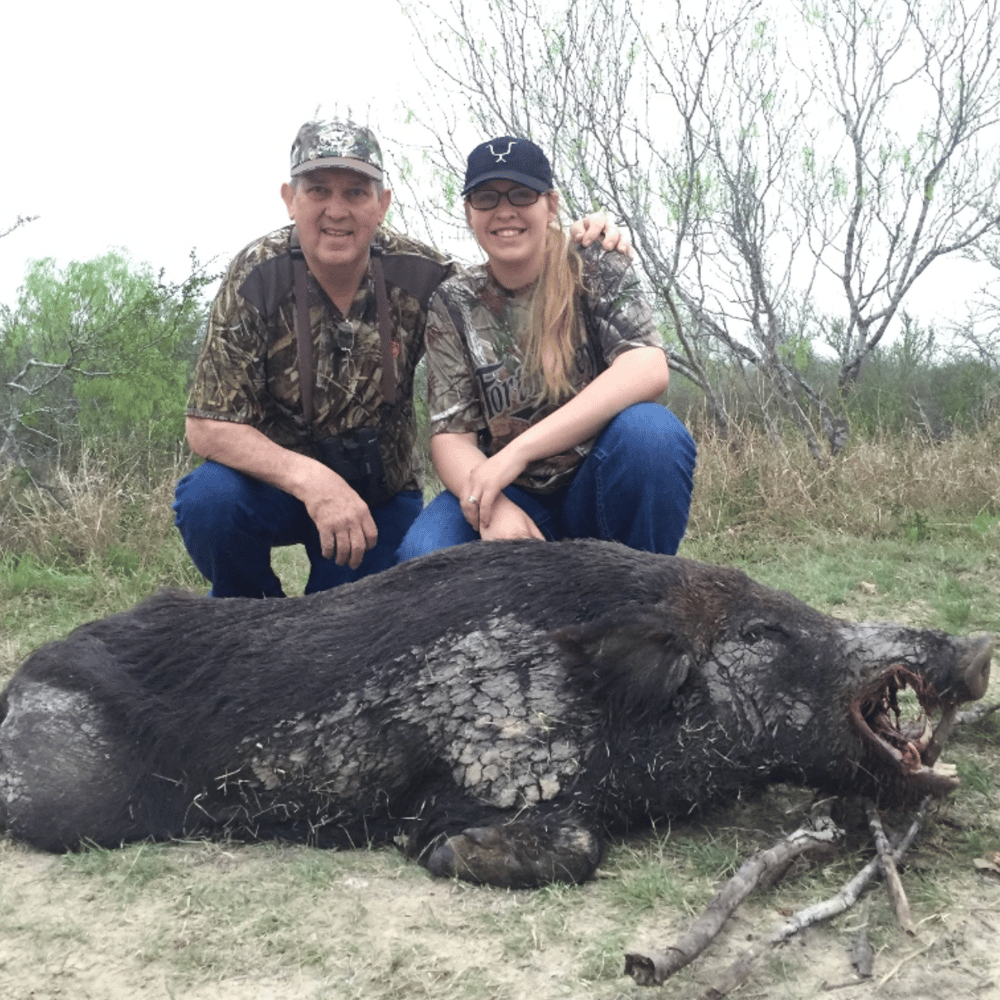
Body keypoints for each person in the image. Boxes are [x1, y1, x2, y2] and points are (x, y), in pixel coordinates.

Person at [174, 119, 627, 597]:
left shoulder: (424, 274)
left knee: (353, 636)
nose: (336, 210)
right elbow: (208, 426)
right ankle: (250, 612)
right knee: (209, 499)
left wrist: (584, 240)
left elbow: (505, 268)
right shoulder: (254, 275)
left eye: (355, 192)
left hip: (378, 498)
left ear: (382, 204)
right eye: (318, 191)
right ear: (290, 198)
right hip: (277, 488)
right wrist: (313, 482)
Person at [396, 136, 696, 562]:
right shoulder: (453, 301)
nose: (504, 211)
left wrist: (517, 452)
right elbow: (450, 437)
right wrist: (491, 505)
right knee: (423, 554)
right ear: (469, 212)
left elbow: (647, 367)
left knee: (653, 435)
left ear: (550, 204)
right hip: (511, 494)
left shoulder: (596, 261)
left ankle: (640, 603)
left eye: (521, 194)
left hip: (596, 481)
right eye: (486, 198)